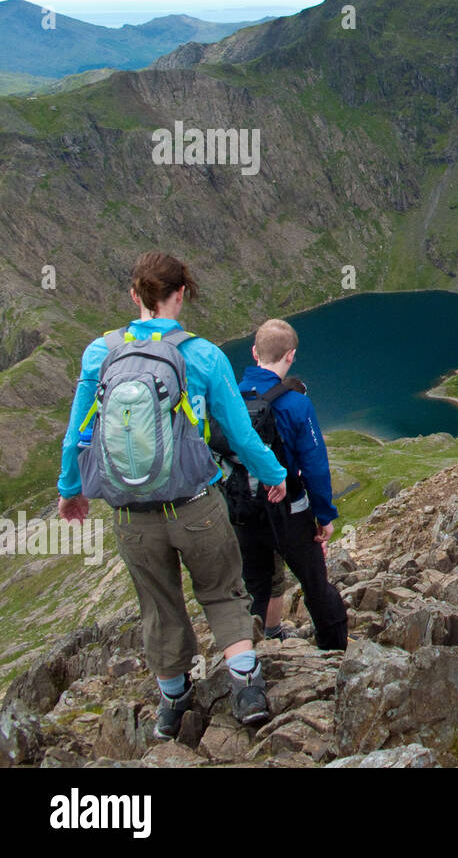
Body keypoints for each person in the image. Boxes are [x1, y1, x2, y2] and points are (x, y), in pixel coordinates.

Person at [57, 252, 287, 737]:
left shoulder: (101, 353)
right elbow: (242, 435)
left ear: (134, 295)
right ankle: (247, 691)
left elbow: (77, 433)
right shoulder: (204, 355)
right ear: (181, 294)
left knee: (159, 606)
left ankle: (173, 705)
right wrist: (274, 474)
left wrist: (70, 491)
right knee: (224, 593)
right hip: (197, 505)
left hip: (130, 515)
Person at [223, 318, 348, 651]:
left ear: (254, 353)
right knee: (315, 584)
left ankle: (251, 662)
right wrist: (324, 516)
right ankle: (335, 651)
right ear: (290, 356)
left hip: (243, 512)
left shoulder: (230, 398)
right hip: (288, 512)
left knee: (256, 589)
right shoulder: (296, 404)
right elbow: (315, 466)